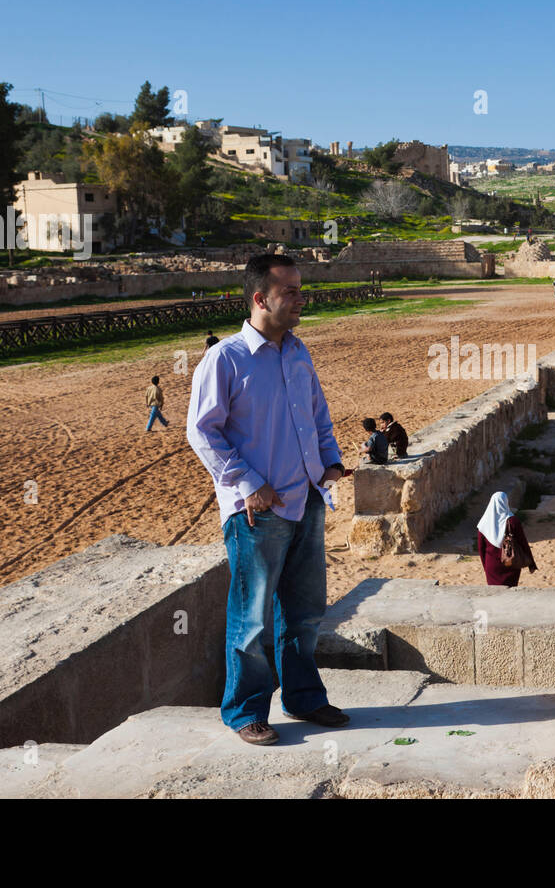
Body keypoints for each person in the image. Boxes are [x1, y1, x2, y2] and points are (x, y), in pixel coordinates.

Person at [186, 253, 349, 746]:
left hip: (307, 501)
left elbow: (318, 416)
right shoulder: (226, 359)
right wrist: (248, 483)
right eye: (291, 292)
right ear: (261, 299)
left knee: (304, 612)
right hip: (257, 513)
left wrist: (331, 463)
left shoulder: (298, 352)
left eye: (301, 290)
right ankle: (245, 710)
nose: (302, 300)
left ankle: (303, 697)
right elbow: (202, 431)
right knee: (252, 617)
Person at [476, 491, 538, 587]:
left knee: (494, 594)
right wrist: (531, 563)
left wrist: (486, 566)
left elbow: (481, 548)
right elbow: (523, 542)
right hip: (511, 563)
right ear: (506, 502)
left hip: (492, 565)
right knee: (509, 595)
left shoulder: (484, 523)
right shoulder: (513, 521)